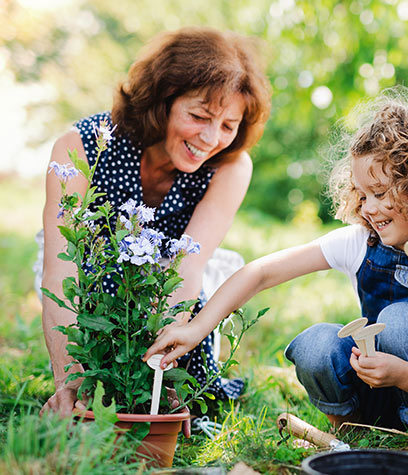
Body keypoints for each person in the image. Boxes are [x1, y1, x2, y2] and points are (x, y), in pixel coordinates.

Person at [144, 93, 408, 436]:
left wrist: (402, 374)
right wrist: (195, 329)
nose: (368, 208)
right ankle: (350, 429)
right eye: (362, 194)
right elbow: (261, 273)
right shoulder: (362, 242)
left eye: (380, 193)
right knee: (317, 343)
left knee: (401, 321)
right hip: (372, 389)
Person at [39, 26, 272, 416]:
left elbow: (188, 266)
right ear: (163, 102)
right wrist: (70, 380)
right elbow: (60, 267)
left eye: (228, 126)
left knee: (189, 391)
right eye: (199, 116)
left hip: (166, 294)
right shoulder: (78, 146)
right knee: (90, 377)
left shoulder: (230, 166)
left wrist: (155, 365)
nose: (212, 138)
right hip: (90, 288)